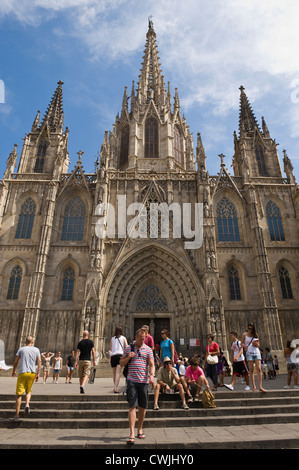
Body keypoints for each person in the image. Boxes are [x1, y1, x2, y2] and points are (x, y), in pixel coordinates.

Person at [119, 328, 155, 444]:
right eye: (140, 338)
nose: (142, 340)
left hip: (143, 381)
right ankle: (132, 433)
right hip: (131, 381)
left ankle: (140, 428)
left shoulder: (148, 349)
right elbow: (121, 363)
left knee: (143, 406)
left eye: (144, 338)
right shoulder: (129, 348)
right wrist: (129, 356)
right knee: (132, 406)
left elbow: (152, 363)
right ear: (136, 337)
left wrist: (152, 374)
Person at [11, 335, 41, 421]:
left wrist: (14, 370)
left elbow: (16, 361)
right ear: (33, 342)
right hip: (32, 373)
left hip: (23, 372)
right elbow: (39, 361)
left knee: (19, 394)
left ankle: (17, 415)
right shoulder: (36, 349)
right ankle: (27, 404)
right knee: (28, 391)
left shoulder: (21, 349)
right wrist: (38, 372)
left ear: (25, 342)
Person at [241, 323, 266, 392]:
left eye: (251, 329)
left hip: (256, 353)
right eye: (249, 328)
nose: (250, 330)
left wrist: (256, 344)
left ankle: (260, 386)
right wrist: (244, 346)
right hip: (249, 353)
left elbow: (258, 345)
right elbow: (241, 343)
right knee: (251, 370)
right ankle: (254, 387)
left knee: (259, 368)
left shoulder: (255, 335)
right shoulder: (244, 335)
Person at [109, 326, 128, 393]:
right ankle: (116, 387)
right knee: (118, 372)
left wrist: (109, 358)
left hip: (113, 356)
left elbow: (110, 350)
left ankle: (115, 386)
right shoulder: (123, 338)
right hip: (120, 356)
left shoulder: (112, 339)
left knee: (114, 373)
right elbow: (127, 347)